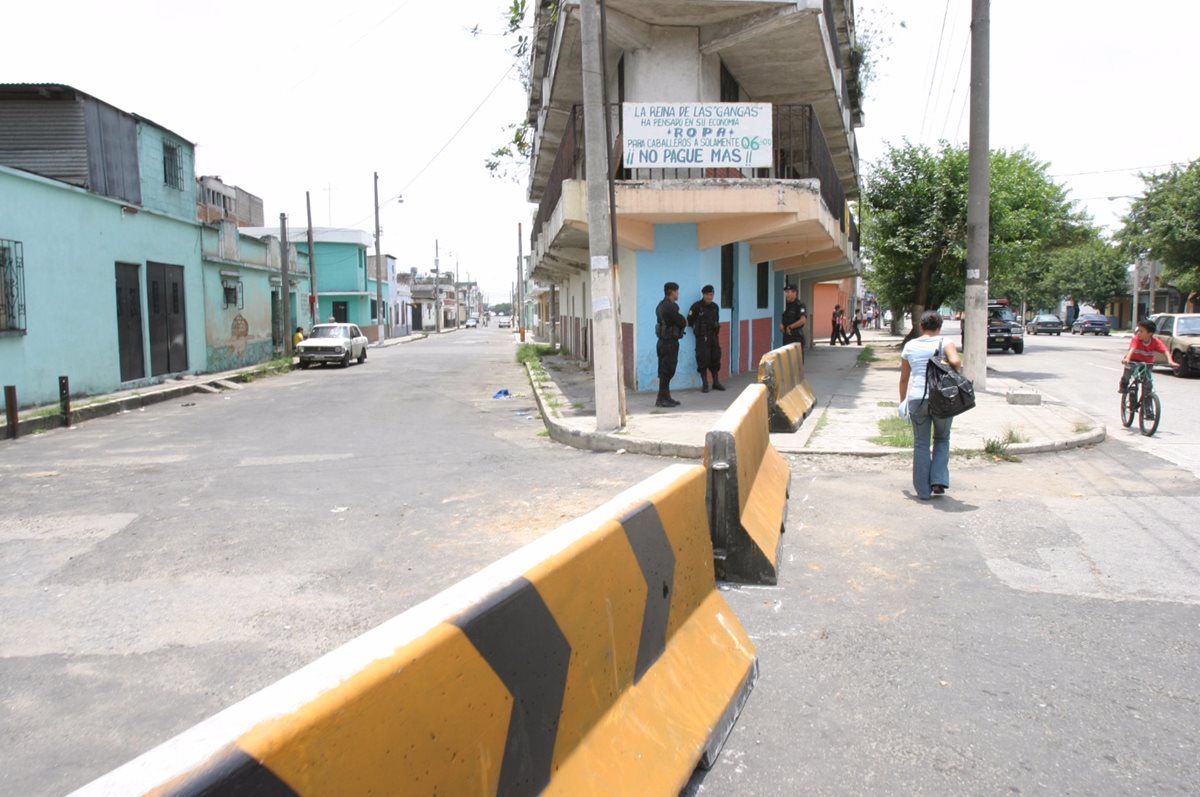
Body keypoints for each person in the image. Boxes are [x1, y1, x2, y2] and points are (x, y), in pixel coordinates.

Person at [899, 310, 962, 500]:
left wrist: (903, 401)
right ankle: (938, 481)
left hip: (917, 398)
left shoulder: (910, 346)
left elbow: (904, 379)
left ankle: (923, 492)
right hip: (941, 398)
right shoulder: (945, 343)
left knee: (921, 444)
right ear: (940, 327)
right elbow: (956, 362)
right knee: (942, 439)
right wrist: (947, 371)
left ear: (921, 326)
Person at [1120, 319, 1178, 392]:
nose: (1138, 333)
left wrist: (1170, 361)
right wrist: (1127, 359)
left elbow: (1165, 351)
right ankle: (1124, 384)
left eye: (1141, 331)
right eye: (1138, 331)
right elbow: (1132, 348)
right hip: (1133, 361)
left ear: (1150, 333)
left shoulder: (1155, 341)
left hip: (1147, 363)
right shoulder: (1136, 339)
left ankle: (1147, 401)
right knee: (1127, 373)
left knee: (1148, 384)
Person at [687, 284, 725, 393]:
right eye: (707, 295)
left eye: (711, 295)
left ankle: (716, 382)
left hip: (713, 337)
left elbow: (717, 320)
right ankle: (705, 384)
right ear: (703, 295)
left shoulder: (715, 307)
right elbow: (689, 321)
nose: (709, 297)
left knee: (715, 358)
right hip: (702, 338)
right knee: (703, 359)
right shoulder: (696, 307)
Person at [655, 281, 687, 407]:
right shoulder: (671, 306)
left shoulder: (660, 305)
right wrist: (683, 321)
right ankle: (662, 399)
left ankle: (664, 397)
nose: (678, 294)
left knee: (665, 371)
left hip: (663, 342)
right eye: (677, 291)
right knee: (667, 371)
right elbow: (681, 321)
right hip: (669, 342)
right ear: (672, 292)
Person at [780, 283, 807, 349]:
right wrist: (782, 325)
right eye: (785, 292)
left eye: (788, 292)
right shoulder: (788, 305)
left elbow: (802, 321)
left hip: (796, 339)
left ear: (794, 292)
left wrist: (790, 327)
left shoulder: (800, 305)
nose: (786, 295)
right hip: (787, 339)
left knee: (796, 359)